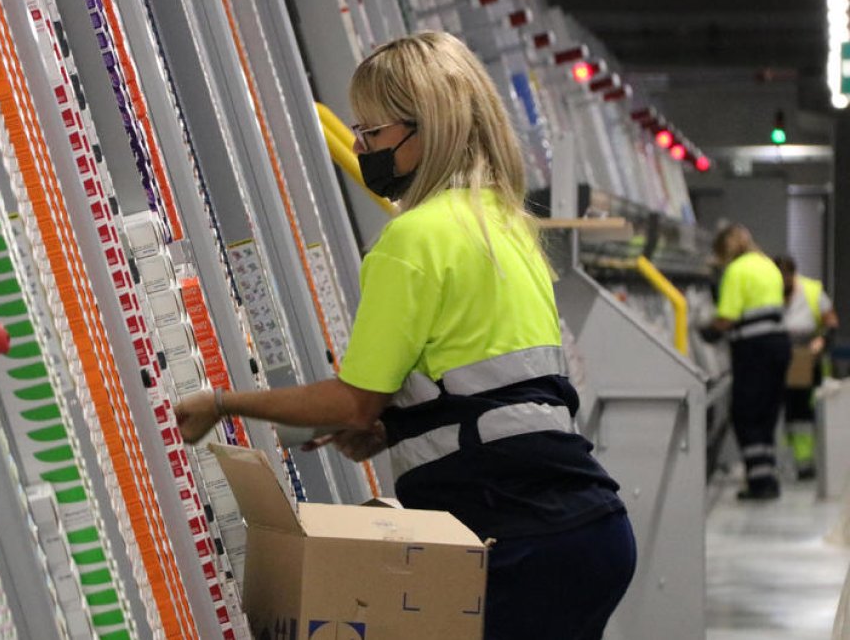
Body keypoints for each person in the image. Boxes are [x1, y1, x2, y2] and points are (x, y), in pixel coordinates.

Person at [175, 31, 635, 640]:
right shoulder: (504, 226)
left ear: (429, 129)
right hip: (585, 531)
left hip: (516, 539)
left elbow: (351, 400)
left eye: (373, 133)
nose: (362, 147)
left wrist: (221, 403)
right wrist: (400, 428)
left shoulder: (413, 239)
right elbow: (495, 384)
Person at [701, 226, 791, 499]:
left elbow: (727, 316)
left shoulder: (737, 270)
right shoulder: (768, 265)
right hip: (778, 345)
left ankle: (759, 483)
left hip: (754, 349)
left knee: (745, 413)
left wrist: (707, 331)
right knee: (766, 414)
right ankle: (767, 477)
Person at [775, 254, 839, 480]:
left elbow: (831, 324)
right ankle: (783, 461)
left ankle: (805, 462)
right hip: (776, 355)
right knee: (778, 408)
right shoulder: (770, 292)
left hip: (804, 357)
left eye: (786, 281)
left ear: (793, 275)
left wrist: (819, 343)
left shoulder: (812, 290)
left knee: (800, 409)